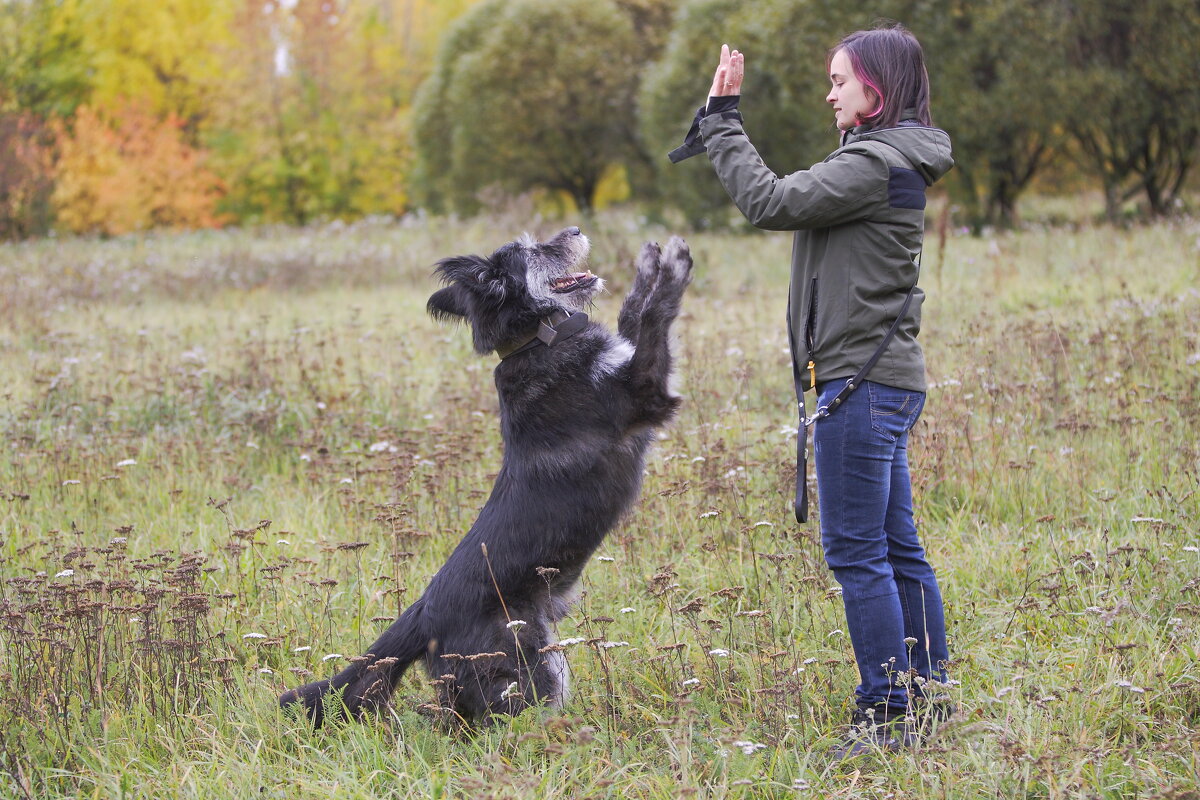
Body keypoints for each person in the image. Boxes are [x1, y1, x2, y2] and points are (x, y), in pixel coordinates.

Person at [674, 24, 954, 758]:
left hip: (860, 386)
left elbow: (768, 201)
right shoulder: (890, 158)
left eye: (839, 81)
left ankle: (889, 712)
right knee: (897, 548)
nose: (830, 93)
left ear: (876, 90)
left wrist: (723, 122)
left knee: (859, 553)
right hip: (882, 380)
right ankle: (928, 697)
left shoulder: (872, 163)